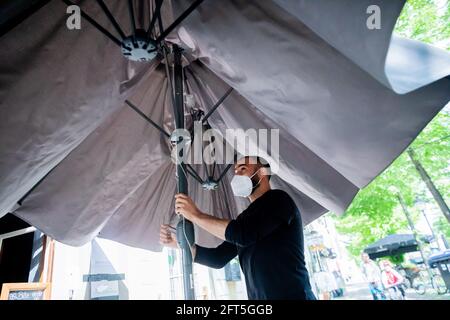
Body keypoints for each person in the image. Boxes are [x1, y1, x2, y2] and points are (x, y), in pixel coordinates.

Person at [160, 156, 316, 300]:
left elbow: (243, 234)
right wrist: (181, 244)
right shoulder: (245, 219)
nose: (237, 175)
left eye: (243, 168)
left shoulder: (279, 200)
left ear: (261, 173)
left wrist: (196, 215)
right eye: (235, 171)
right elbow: (218, 258)